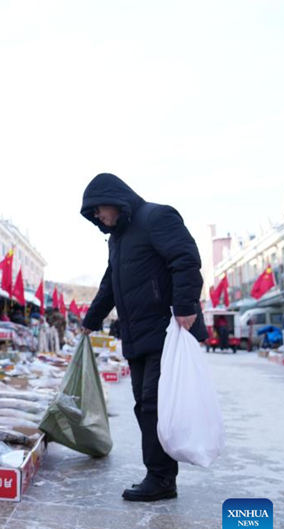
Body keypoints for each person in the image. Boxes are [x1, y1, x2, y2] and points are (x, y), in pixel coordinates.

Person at [79, 173, 207, 502]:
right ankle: (161, 475)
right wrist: (91, 319)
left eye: (97, 210)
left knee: (153, 405)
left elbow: (186, 258)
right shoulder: (117, 240)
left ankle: (161, 478)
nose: (97, 217)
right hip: (137, 335)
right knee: (143, 406)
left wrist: (185, 304)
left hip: (167, 328)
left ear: (113, 199)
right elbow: (111, 284)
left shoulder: (156, 216)